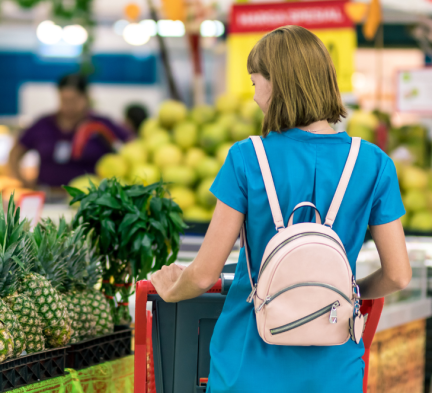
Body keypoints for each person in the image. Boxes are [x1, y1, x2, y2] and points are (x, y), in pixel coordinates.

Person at [150, 25, 411, 392]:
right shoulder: (373, 163)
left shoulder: (247, 158)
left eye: (255, 83)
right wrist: (343, 292)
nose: (255, 97)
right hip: (335, 367)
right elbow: (399, 276)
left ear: (278, 85)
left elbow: (203, 272)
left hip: (248, 360)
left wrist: (170, 288)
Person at [9, 74, 131, 190]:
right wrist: (23, 182)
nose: (68, 106)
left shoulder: (101, 125)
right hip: (48, 195)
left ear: (86, 98)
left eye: (73, 100)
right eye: (64, 100)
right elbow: (15, 153)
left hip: (91, 199)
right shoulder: (43, 124)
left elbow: (131, 145)